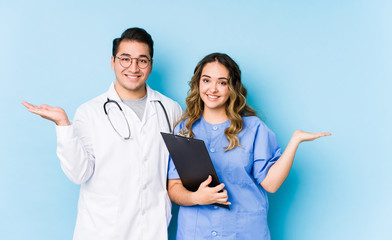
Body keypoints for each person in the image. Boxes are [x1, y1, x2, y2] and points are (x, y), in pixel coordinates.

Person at [22, 27, 182, 240]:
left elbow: (178, 172)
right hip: (103, 231)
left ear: (150, 65)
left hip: (152, 230)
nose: (133, 67)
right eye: (125, 59)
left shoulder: (170, 109)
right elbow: (79, 174)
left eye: (142, 60)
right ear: (113, 62)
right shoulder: (90, 112)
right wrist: (63, 124)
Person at [167, 53, 331, 240]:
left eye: (222, 82)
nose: (213, 89)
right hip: (196, 233)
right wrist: (196, 198)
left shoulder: (254, 128)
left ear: (232, 88)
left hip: (243, 232)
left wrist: (295, 141)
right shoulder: (184, 128)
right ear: (198, 83)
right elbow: (174, 186)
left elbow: (271, 184)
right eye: (206, 80)